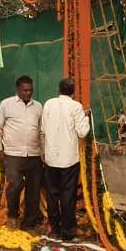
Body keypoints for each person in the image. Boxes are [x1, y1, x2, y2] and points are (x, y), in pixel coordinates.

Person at [41, 77, 90, 241]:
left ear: (58, 89)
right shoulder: (76, 107)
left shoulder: (48, 104)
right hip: (69, 159)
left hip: (50, 158)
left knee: (52, 194)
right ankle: (68, 232)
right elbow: (83, 132)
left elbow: (43, 128)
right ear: (73, 92)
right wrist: (86, 116)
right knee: (67, 195)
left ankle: (54, 228)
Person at [0, 75, 43, 230]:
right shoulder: (6, 104)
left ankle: (29, 222)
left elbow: (42, 131)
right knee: (15, 185)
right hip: (13, 154)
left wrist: (43, 153)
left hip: (34, 154)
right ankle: (12, 215)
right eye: (25, 90)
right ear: (18, 90)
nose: (28, 93)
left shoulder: (38, 106)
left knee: (33, 189)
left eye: (30, 90)